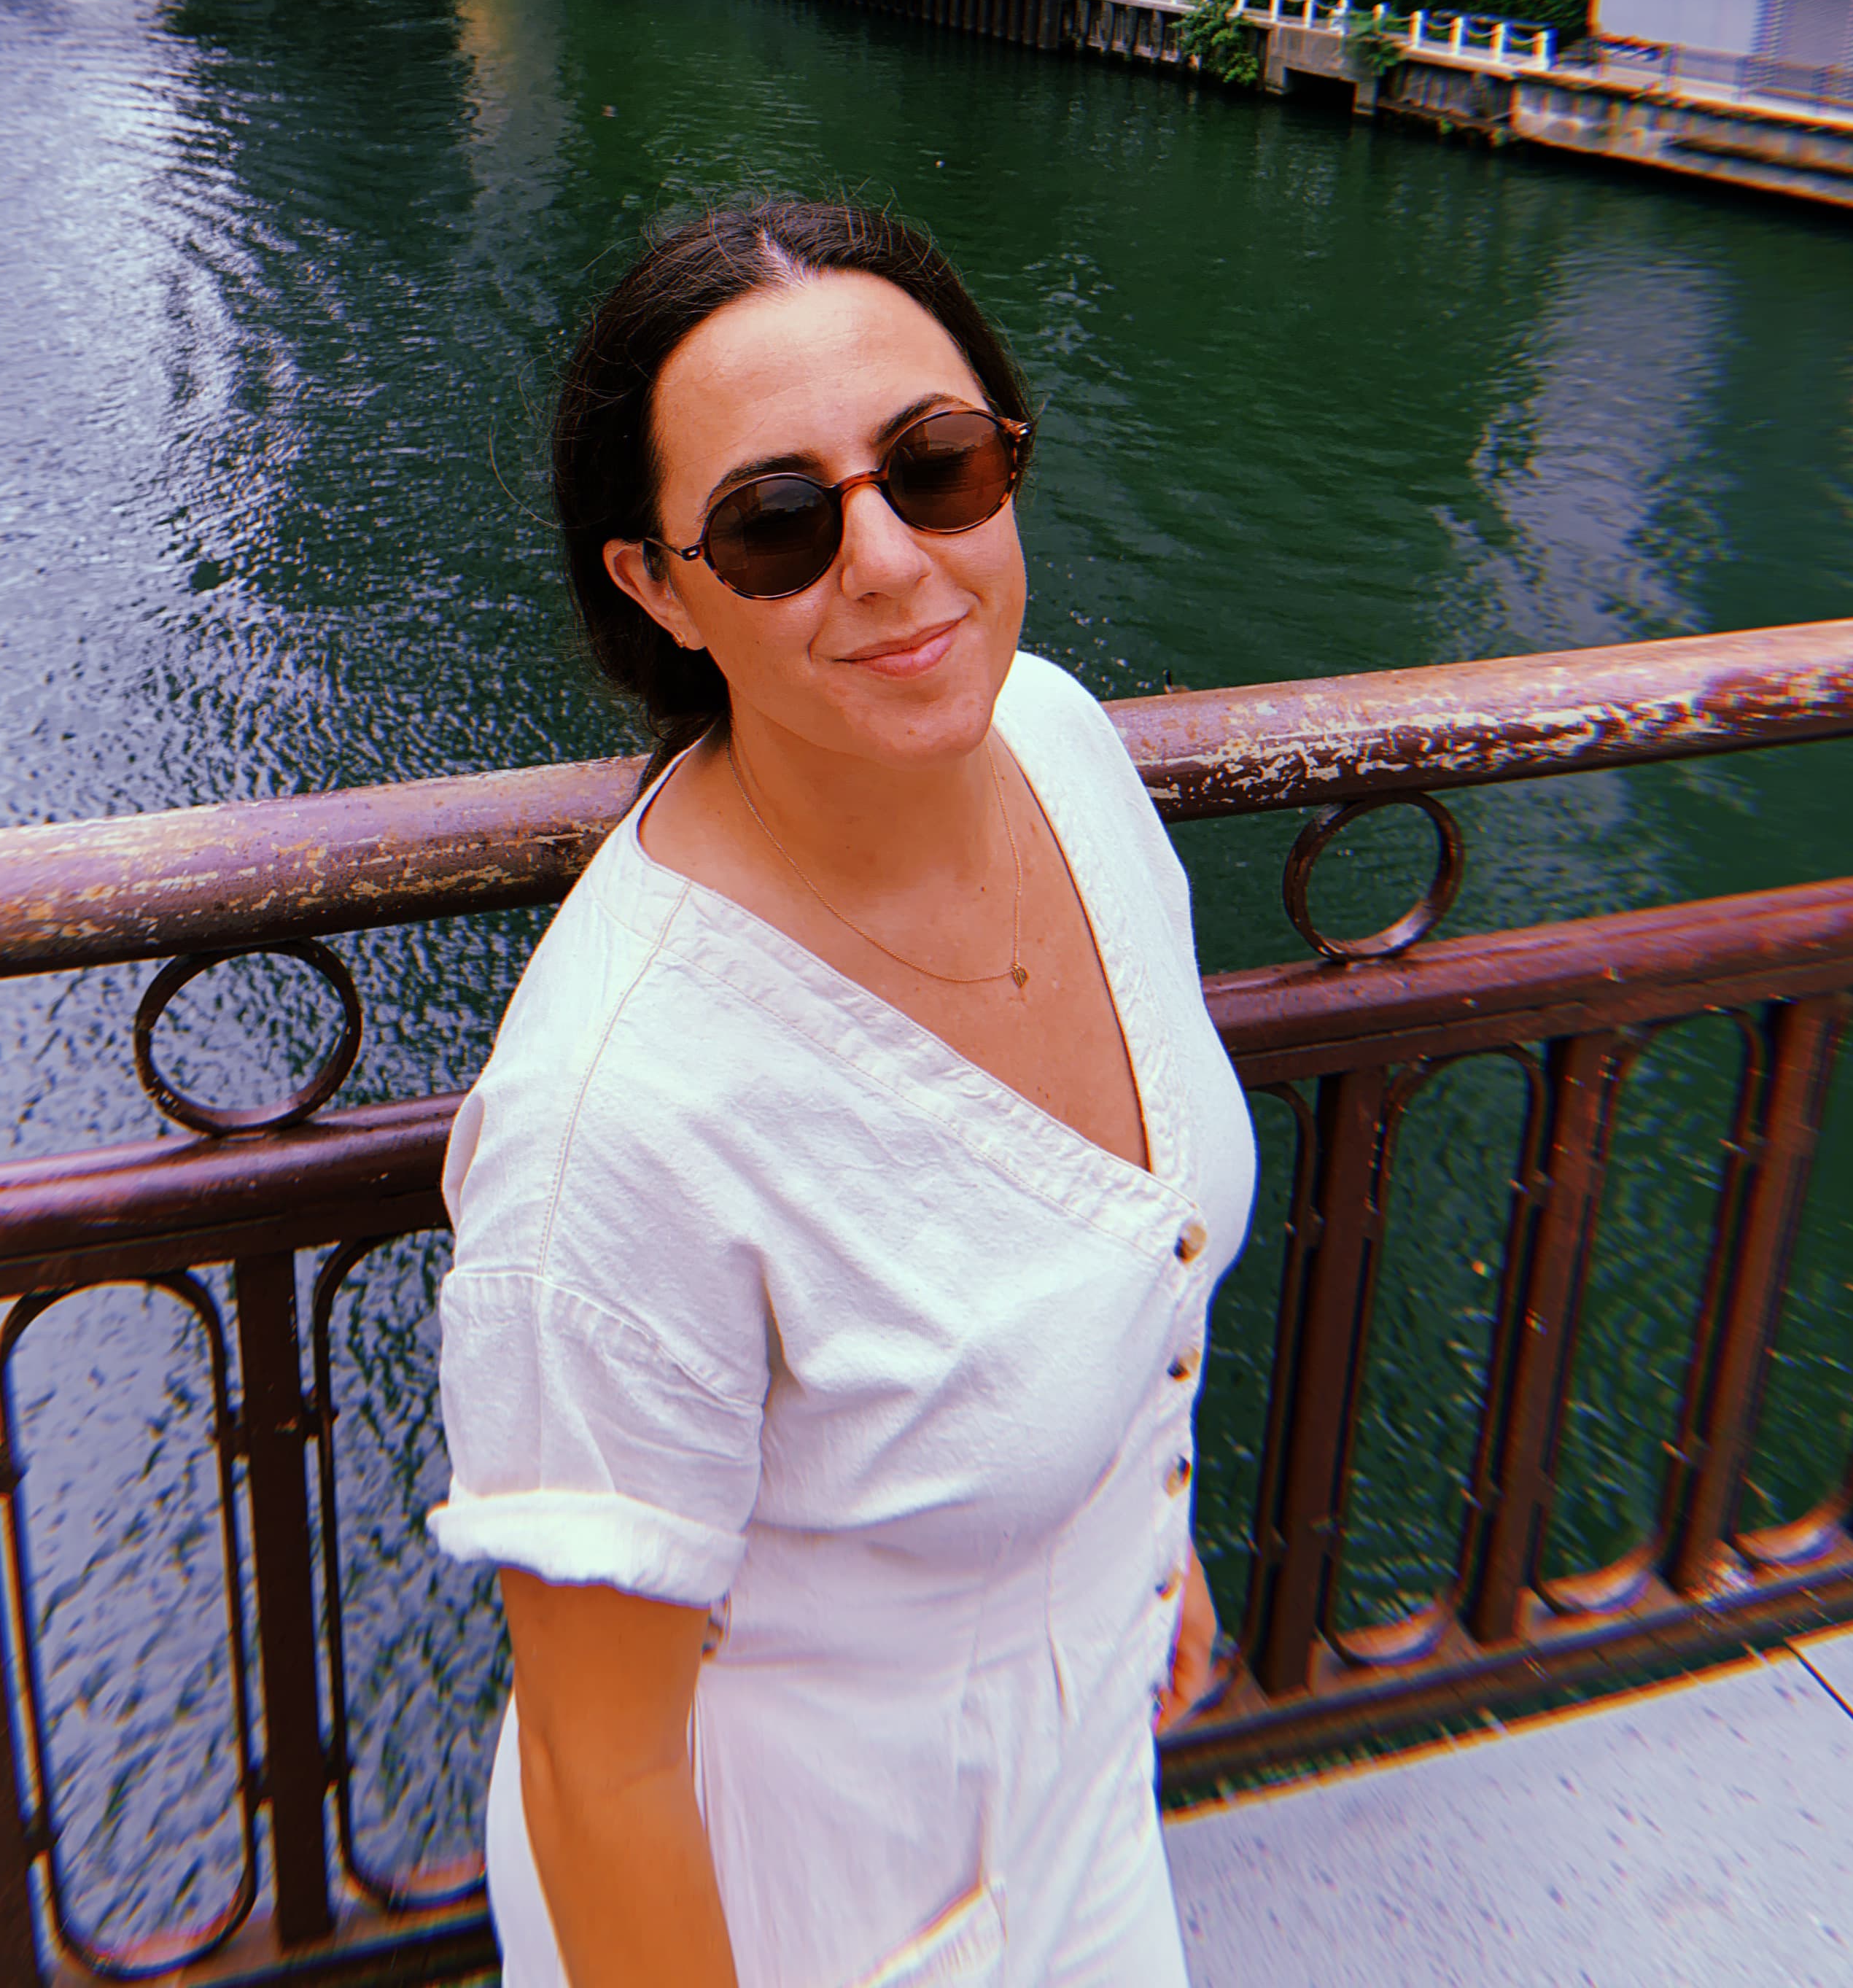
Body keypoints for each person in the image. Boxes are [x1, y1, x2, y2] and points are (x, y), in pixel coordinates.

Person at [432, 200, 1256, 1988]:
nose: (888, 561)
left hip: (1079, 1794)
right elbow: (600, 1761)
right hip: (805, 1907)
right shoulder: (622, 1123)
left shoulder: (1059, 743)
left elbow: (1115, 1264)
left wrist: (1135, 1539)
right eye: (778, 523)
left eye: (937, 465)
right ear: (659, 587)